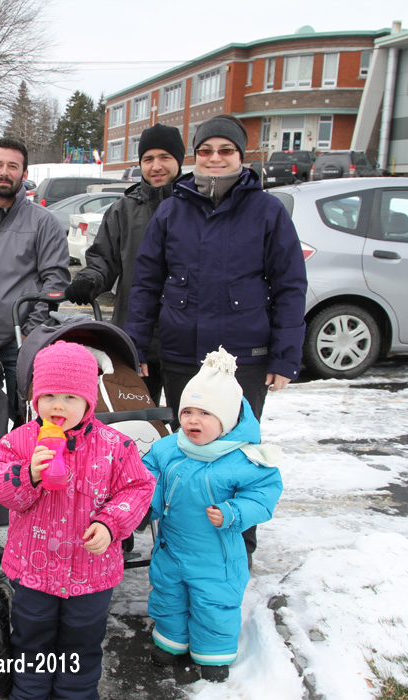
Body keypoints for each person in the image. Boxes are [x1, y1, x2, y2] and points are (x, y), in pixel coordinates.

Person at [125, 115, 306, 559]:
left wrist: (285, 358)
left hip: (245, 356)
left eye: (225, 151)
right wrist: (135, 348)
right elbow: (146, 284)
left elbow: (289, 286)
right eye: (206, 151)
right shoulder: (172, 209)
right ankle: (179, 538)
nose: (215, 159)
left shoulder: (268, 211)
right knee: (186, 446)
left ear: (241, 158)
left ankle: (237, 543)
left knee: (238, 450)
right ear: (196, 158)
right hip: (181, 354)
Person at [0, 341, 156, 699]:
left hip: (91, 571)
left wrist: (111, 524)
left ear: (89, 402)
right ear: (34, 398)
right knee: (31, 637)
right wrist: (28, 473)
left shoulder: (115, 446)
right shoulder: (20, 442)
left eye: (69, 398)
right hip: (34, 568)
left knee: (82, 640)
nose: (57, 406)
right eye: (47, 396)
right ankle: (29, 692)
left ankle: (75, 693)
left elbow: (138, 488)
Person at [141, 348, 283, 682]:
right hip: (172, 547)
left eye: (205, 413)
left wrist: (234, 511)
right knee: (169, 593)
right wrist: (148, 502)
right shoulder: (168, 448)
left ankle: (213, 652)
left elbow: (264, 493)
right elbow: (147, 476)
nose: (192, 420)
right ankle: (171, 641)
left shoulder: (244, 459)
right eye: (187, 411)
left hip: (216, 555)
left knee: (214, 604)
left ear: (228, 419)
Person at [64, 123, 187, 406]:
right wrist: (89, 279)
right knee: (136, 418)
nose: (156, 166)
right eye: (148, 159)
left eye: (165, 157)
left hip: (186, 338)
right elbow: (103, 259)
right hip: (136, 334)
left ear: (179, 160)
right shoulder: (124, 210)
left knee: (190, 421)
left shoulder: (195, 206)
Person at [0, 138, 70, 424]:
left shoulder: (44, 222)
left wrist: (30, 331)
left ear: (24, 174)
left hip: (19, 341)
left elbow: (55, 280)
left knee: (25, 416)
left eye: (12, 166)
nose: (4, 172)